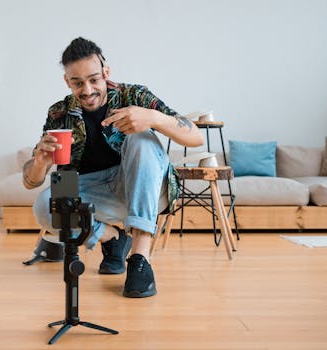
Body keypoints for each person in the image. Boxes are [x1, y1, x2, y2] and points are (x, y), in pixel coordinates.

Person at [22, 37, 204, 298]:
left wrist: (153, 118)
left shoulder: (134, 95)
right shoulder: (59, 112)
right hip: (91, 190)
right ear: (67, 82)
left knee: (141, 138)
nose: (87, 90)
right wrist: (40, 162)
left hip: (143, 187)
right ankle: (112, 238)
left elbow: (196, 137)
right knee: (44, 204)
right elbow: (30, 181)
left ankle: (140, 257)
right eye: (77, 83)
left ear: (106, 73)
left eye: (94, 79)